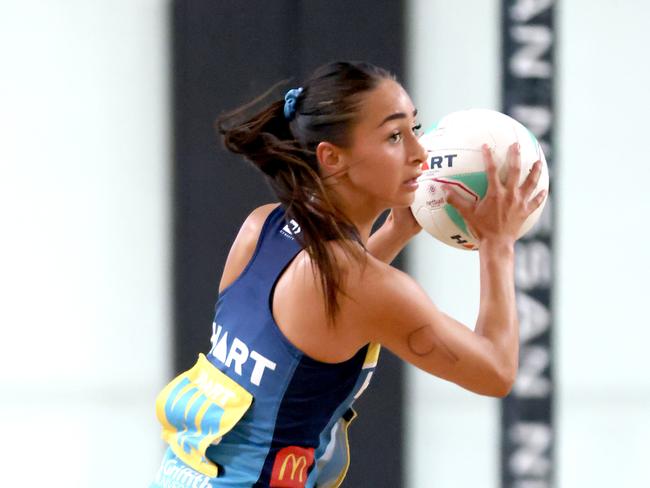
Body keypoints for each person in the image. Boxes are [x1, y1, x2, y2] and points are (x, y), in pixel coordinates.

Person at [151, 61, 546, 488]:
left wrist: (395, 230)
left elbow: (325, 308)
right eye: (395, 136)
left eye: (416, 128)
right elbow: (495, 371)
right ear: (332, 157)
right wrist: (498, 246)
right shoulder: (361, 287)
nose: (420, 152)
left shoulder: (261, 229)